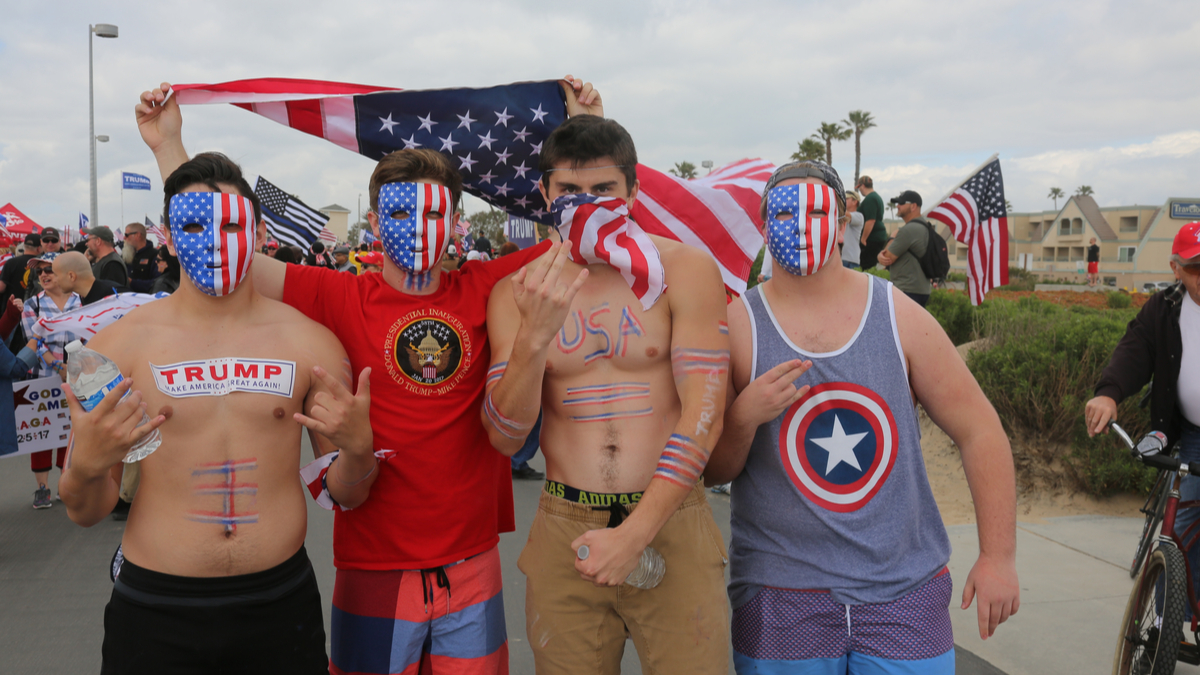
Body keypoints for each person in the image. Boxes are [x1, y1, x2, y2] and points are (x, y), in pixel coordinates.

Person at [137, 74, 601, 675]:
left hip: (472, 560)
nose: (417, 226)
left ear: (457, 222)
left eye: (434, 212)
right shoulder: (336, 295)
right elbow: (220, 243)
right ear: (376, 223)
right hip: (375, 564)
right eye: (400, 212)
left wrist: (583, 124)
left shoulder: (488, 286)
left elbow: (585, 226)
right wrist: (168, 146)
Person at [705, 160, 1019, 675]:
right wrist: (743, 418)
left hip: (904, 592)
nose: (800, 225)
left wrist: (998, 557)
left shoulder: (899, 316)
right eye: (785, 213)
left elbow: (979, 429)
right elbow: (712, 471)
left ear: (843, 220)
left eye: (816, 212)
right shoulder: (737, 325)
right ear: (764, 222)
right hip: (779, 595)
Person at [61, 151, 364, 674]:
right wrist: (85, 467)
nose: (215, 239)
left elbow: (347, 492)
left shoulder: (309, 342)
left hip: (279, 605)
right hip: (156, 610)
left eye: (231, 224)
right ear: (170, 238)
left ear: (261, 231)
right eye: (196, 226)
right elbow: (86, 510)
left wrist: (358, 451)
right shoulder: (117, 347)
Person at [485, 113, 733, 674]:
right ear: (545, 193)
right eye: (569, 190)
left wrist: (635, 535)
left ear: (633, 191)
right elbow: (504, 435)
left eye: (604, 189)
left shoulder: (683, 270)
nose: (587, 203)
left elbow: (704, 412)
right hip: (566, 523)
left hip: (672, 520)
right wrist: (535, 336)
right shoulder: (517, 292)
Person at [1086, 221, 1200, 605]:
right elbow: (1135, 351)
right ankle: (1169, 628)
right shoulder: (1164, 307)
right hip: (1192, 434)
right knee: (1182, 530)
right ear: (1176, 269)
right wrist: (1108, 394)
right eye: (1196, 267)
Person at [22, 252, 80, 508]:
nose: (43, 275)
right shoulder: (32, 304)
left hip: (77, 374)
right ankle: (42, 488)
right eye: (39, 272)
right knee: (42, 432)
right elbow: (34, 340)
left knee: (71, 431)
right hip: (43, 377)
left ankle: (64, 484)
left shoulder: (82, 300)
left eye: (49, 270)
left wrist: (73, 366)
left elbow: (91, 333)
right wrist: (58, 365)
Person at [878, 190, 932, 307]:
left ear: (913, 206)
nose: (898, 206)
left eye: (901, 203)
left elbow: (886, 258)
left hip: (906, 290)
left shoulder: (908, 230)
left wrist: (892, 237)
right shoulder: (926, 226)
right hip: (922, 289)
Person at [53, 252, 123, 305]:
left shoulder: (115, 295)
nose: (54, 280)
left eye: (56, 275)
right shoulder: (84, 296)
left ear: (71, 276)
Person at [0, 233, 41, 307]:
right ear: (39, 248)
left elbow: (1, 287)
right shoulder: (41, 264)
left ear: (24, 246)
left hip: (11, 308)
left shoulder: (11, 262)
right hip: (33, 308)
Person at [856, 175, 887, 271]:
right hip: (878, 235)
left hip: (872, 238)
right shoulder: (876, 197)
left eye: (859, 187)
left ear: (862, 186)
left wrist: (863, 239)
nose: (860, 190)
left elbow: (871, 220)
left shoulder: (870, 199)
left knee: (867, 266)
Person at [122, 221, 160, 292]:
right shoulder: (127, 255)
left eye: (127, 235)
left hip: (146, 300)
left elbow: (158, 282)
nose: (124, 238)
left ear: (138, 235)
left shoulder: (154, 255)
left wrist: (132, 282)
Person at [841, 190, 865, 269]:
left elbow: (847, 215)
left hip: (850, 260)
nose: (844, 200)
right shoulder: (840, 215)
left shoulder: (859, 216)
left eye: (847, 198)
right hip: (841, 258)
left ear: (855, 202)